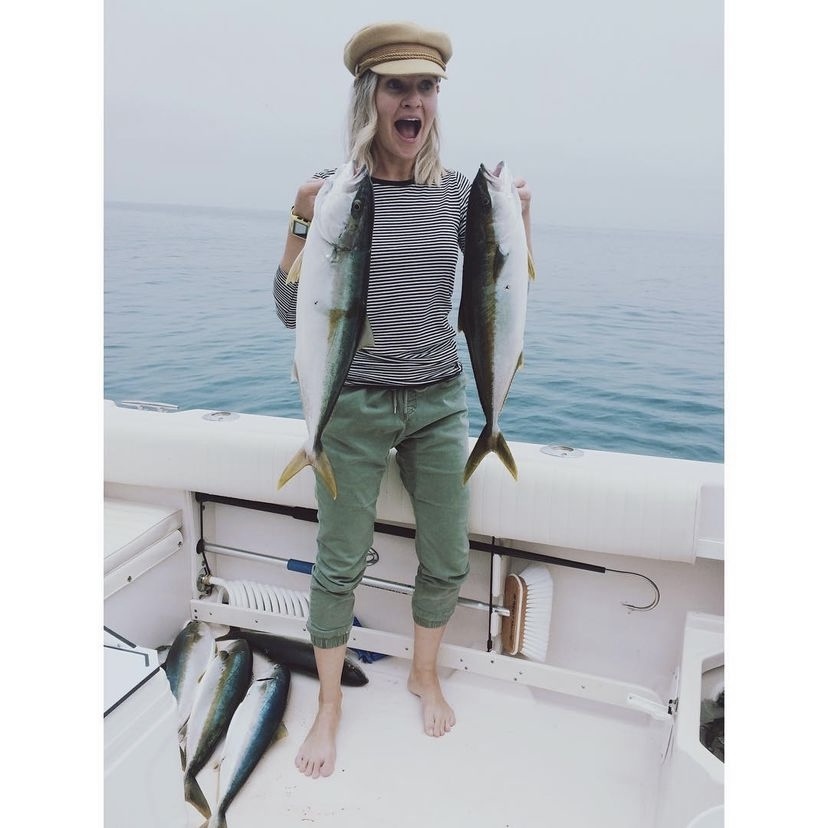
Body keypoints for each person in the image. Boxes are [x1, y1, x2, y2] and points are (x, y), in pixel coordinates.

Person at [274, 20, 532, 779]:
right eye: (398, 87)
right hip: (351, 406)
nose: (413, 101)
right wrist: (299, 219)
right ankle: (329, 705)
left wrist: (521, 217)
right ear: (370, 97)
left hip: (440, 403)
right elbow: (291, 311)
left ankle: (424, 674)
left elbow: (500, 289)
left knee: (449, 554)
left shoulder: (459, 195)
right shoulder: (336, 194)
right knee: (338, 563)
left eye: (426, 87)